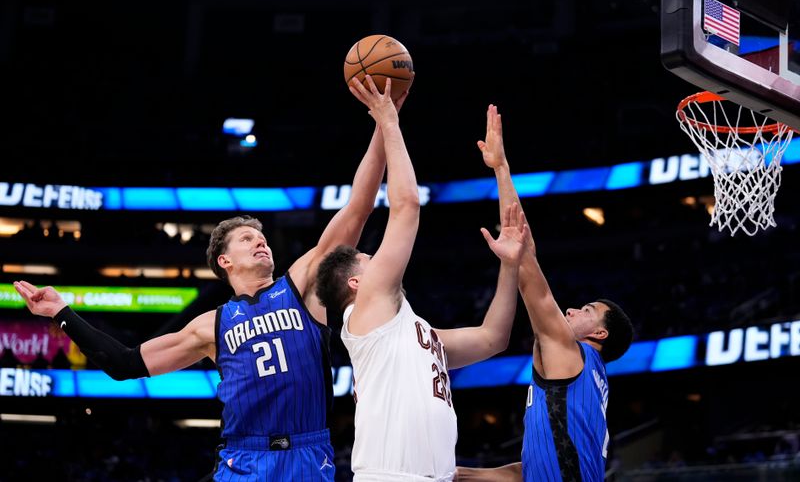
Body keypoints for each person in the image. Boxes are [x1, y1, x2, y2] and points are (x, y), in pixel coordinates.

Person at [11, 86, 409, 482]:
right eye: (247, 239)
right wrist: (61, 313)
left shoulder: (301, 285)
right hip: (243, 460)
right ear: (225, 261)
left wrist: (383, 122)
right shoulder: (210, 326)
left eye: (263, 237)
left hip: (309, 455)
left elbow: (358, 208)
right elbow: (123, 364)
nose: (261, 241)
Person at [315, 78, 531, 482]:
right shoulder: (365, 314)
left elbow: (493, 338)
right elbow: (406, 205)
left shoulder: (412, 332)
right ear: (356, 286)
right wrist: (388, 120)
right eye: (370, 258)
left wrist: (509, 265)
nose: (381, 260)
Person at [456, 105, 634, 482]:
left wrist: (501, 169)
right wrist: (457, 475)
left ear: (599, 334)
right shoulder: (582, 382)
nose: (571, 309)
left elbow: (526, 266)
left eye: (586, 309)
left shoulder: (573, 355)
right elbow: (532, 471)